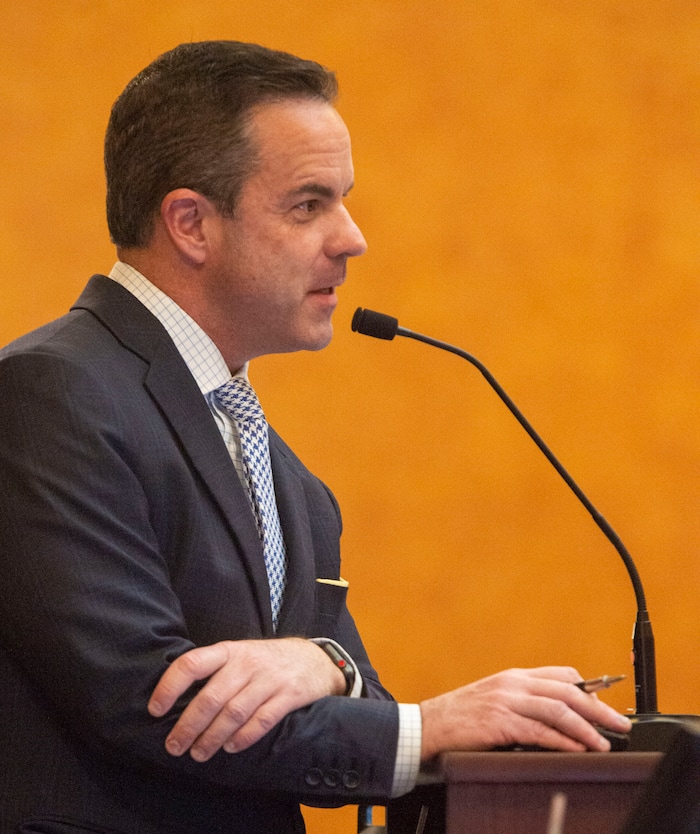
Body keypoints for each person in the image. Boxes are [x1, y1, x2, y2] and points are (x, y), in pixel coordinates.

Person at [0, 40, 631, 834]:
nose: (352, 237)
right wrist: (422, 729)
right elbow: (144, 700)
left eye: (344, 199)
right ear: (191, 224)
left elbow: (345, 694)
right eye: (308, 204)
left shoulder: (289, 479)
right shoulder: (51, 393)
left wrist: (322, 664)